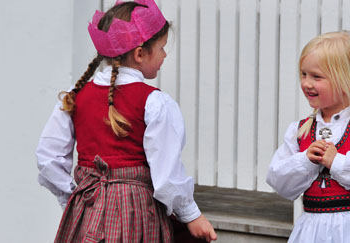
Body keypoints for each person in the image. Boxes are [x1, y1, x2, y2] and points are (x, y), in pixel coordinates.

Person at [36, 0, 217, 242]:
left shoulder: (77, 94)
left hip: (86, 210)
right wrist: (192, 215)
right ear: (140, 53)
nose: (165, 54)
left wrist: (73, 198)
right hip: (135, 216)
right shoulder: (154, 102)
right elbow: (167, 176)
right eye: (162, 47)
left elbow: (48, 158)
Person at [266, 31, 350, 243]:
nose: (306, 83)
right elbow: (279, 180)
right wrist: (305, 160)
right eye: (303, 74)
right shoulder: (299, 131)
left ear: (349, 80)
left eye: (316, 76)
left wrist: (338, 162)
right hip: (311, 229)